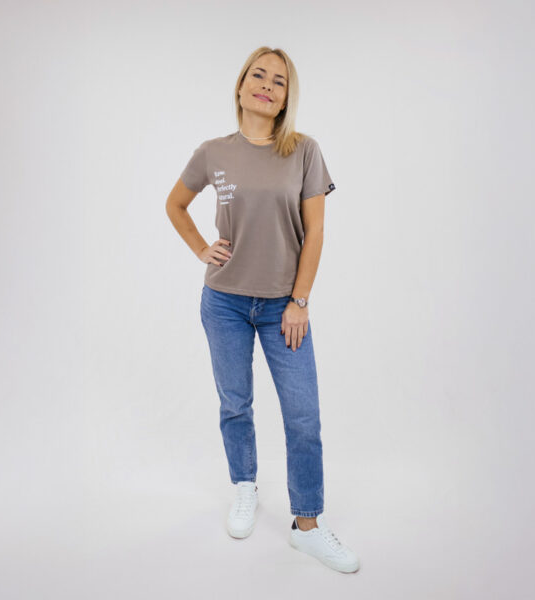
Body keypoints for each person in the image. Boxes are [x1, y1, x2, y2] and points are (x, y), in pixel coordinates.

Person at [166, 46, 360, 574]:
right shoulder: (212, 152)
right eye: (258, 75)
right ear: (240, 85)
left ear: (285, 98)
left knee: (303, 416)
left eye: (279, 81)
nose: (267, 86)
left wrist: (299, 301)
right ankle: (245, 486)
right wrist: (201, 248)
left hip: (283, 308)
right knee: (235, 403)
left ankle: (307, 526)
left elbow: (315, 232)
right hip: (224, 301)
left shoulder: (304, 151)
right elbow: (175, 205)